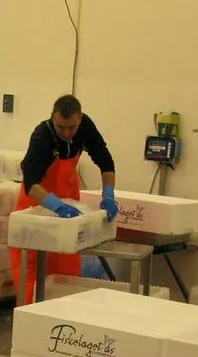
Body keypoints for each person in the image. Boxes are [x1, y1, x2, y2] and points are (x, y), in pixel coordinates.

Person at [10, 94, 118, 304]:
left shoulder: (85, 126)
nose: (67, 133)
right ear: (52, 118)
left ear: (79, 118)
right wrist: (56, 207)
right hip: (36, 205)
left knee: (66, 267)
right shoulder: (43, 136)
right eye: (61, 128)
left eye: (72, 128)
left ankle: (63, 322)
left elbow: (106, 162)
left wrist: (109, 194)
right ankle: (31, 319)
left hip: (68, 202)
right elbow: (31, 184)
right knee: (30, 268)